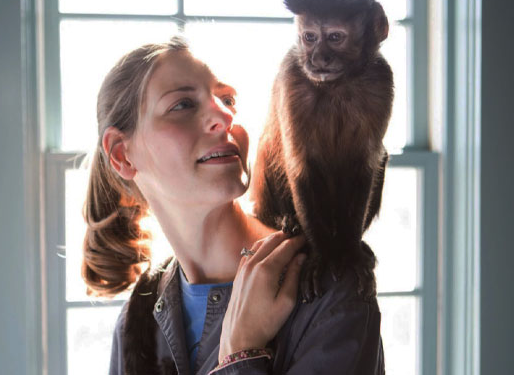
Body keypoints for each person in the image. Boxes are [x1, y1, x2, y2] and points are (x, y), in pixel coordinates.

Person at [81, 36, 385, 375]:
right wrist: (239, 352)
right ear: (122, 155)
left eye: (227, 100)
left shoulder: (328, 291)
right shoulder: (136, 322)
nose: (224, 116)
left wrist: (240, 355)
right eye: (183, 105)